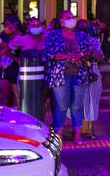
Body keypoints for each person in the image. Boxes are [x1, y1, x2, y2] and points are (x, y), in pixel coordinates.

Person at [42, 12, 99, 144]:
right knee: (60, 106)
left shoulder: (81, 35)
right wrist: (69, 56)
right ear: (61, 21)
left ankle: (77, 135)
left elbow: (89, 52)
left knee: (77, 106)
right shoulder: (53, 35)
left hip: (80, 74)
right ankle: (58, 134)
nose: (71, 20)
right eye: (67, 18)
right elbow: (48, 54)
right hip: (59, 75)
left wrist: (79, 55)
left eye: (72, 17)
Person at [77, 19, 105, 139]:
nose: (85, 30)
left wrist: (92, 52)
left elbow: (100, 57)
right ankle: (76, 131)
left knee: (93, 100)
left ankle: (91, 129)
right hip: (78, 71)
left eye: (86, 27)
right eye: (82, 28)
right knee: (77, 102)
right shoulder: (73, 40)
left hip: (92, 71)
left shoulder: (93, 41)